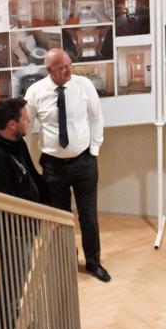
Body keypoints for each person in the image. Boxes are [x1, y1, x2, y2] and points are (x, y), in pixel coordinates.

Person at [24, 48, 111, 282]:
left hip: (84, 162)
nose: (68, 70)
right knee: (60, 217)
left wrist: (94, 151)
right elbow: (25, 124)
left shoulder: (83, 86)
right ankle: (66, 259)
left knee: (88, 216)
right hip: (53, 166)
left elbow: (96, 118)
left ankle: (93, 261)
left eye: (69, 64)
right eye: (62, 67)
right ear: (49, 70)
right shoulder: (35, 92)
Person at [0, 98, 50, 329]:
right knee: (10, 288)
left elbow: (31, 178)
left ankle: (11, 325)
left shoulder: (17, 144)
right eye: (25, 118)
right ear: (11, 124)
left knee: (16, 282)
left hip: (24, 228)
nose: (29, 121)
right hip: (9, 232)